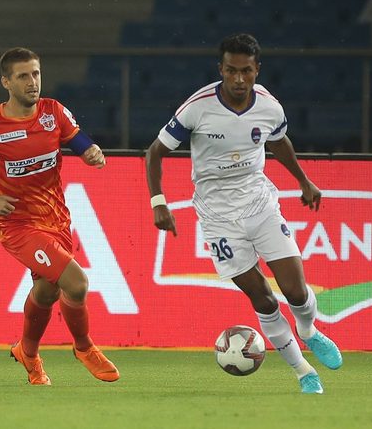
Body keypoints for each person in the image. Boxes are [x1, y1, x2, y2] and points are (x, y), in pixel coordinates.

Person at [145, 34, 342, 394]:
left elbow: (278, 141)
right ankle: (303, 372)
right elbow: (155, 152)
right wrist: (159, 201)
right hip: (217, 217)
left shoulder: (269, 107)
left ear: (257, 70)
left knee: (296, 291)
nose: (239, 79)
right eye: (231, 70)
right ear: (220, 69)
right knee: (263, 298)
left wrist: (303, 180)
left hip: (260, 205)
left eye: (246, 71)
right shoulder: (197, 108)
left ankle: (308, 329)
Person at [0, 47, 119, 385]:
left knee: (47, 292)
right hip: (19, 226)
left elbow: (80, 141)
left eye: (36, 74)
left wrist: (92, 152)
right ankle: (84, 348)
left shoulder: (53, 112)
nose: (32, 82)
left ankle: (28, 351)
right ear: (6, 82)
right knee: (76, 283)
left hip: (57, 220)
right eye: (23, 76)